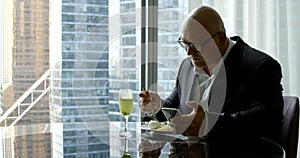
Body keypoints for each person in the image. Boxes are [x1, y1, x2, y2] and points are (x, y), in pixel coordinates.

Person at [138, 6, 283, 145]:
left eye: (196, 45)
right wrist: (158, 106)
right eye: (185, 43)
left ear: (220, 39)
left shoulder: (260, 66)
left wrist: (208, 123)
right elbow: (175, 110)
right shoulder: (186, 66)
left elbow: (268, 120)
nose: (188, 52)